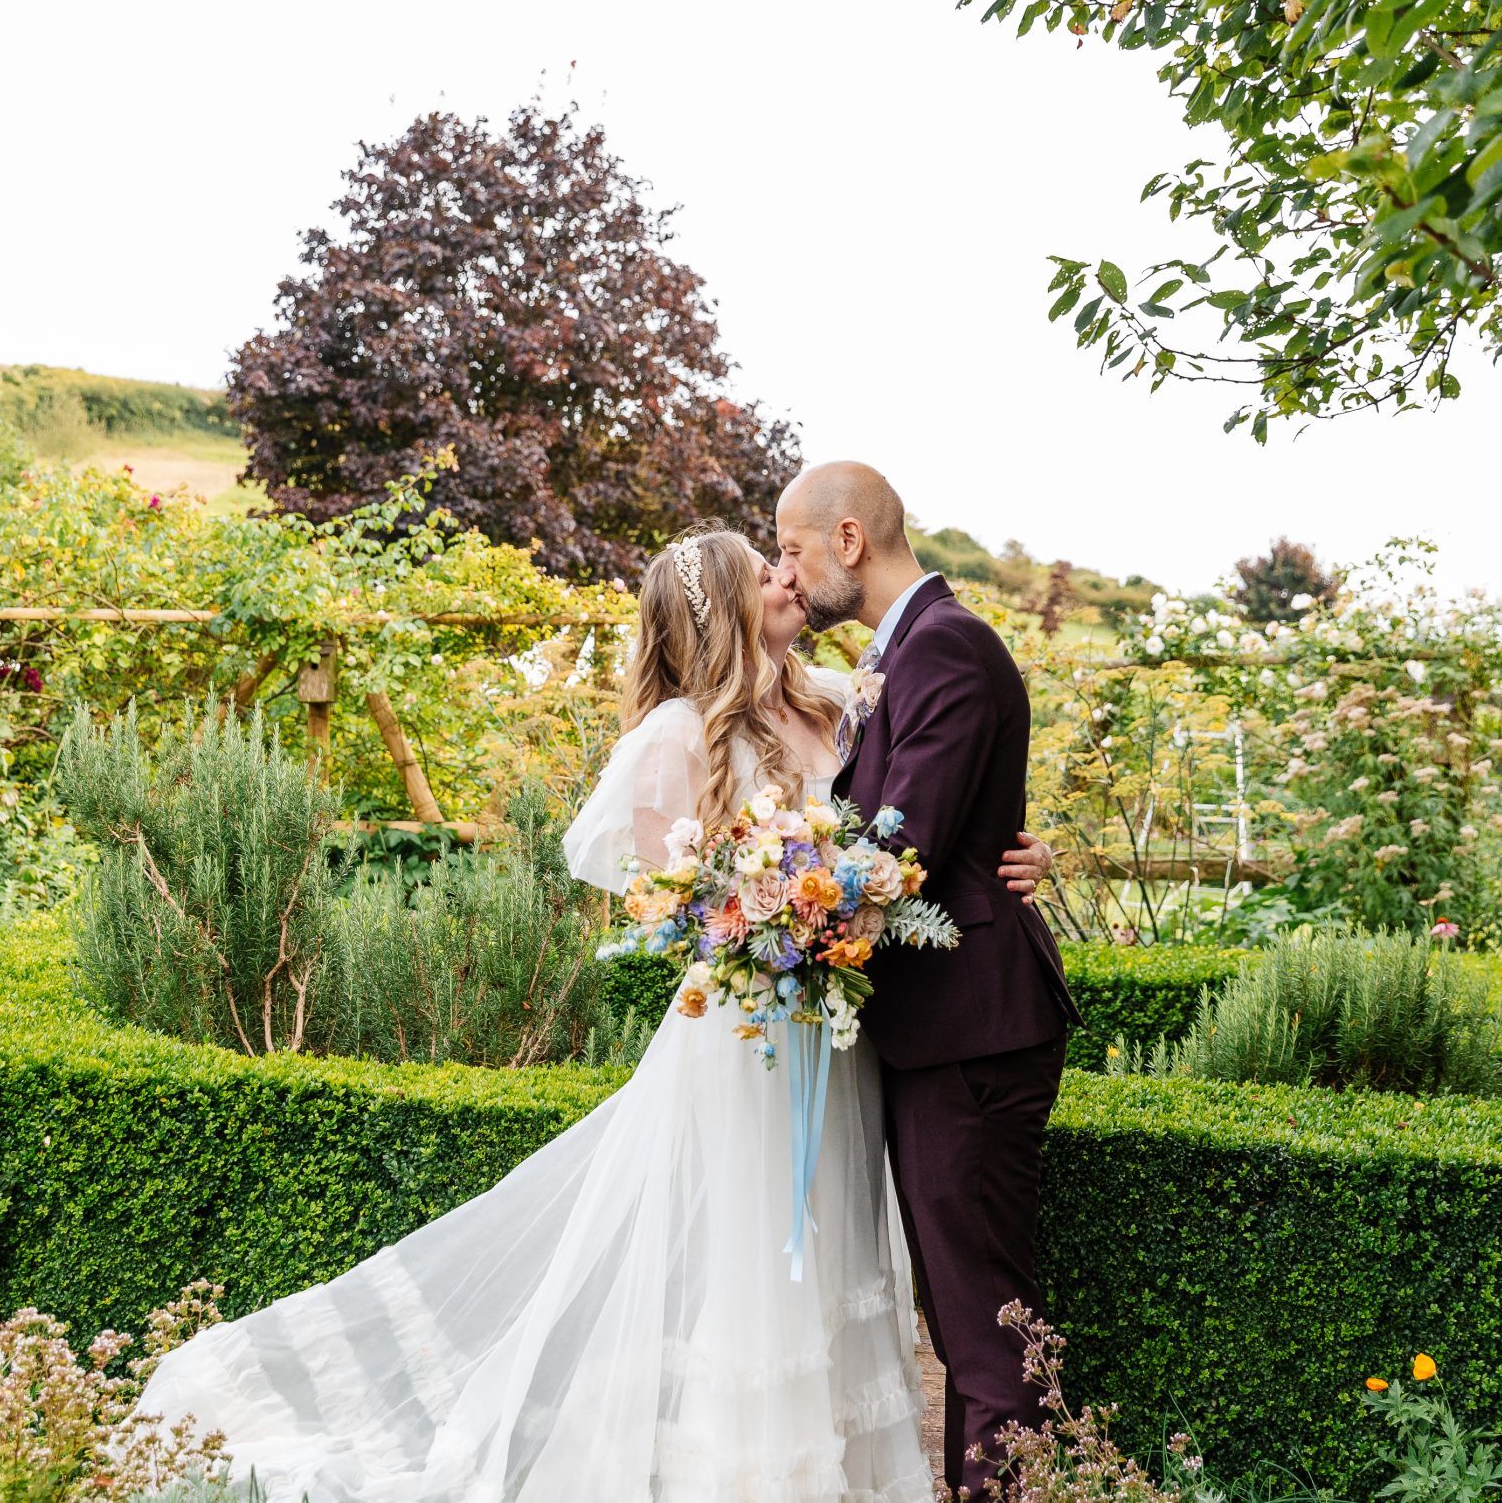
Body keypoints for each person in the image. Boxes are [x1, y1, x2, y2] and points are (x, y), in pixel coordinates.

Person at [137, 526, 1054, 1501]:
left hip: (841, 1036)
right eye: (764, 573)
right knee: (750, 1264)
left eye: (784, 564)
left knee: (827, 1257)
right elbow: (655, 890)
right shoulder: (676, 736)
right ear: (722, 614)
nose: (787, 580)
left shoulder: (837, 703)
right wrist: (758, 920)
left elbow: (936, 806)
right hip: (749, 1035)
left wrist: (1022, 854)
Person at [775, 462, 1082, 1501]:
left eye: (791, 549)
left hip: (972, 1029)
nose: (788, 569)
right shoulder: (900, 653)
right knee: (961, 1314)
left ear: (847, 540)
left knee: (981, 1315)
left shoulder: (944, 647)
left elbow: (900, 844)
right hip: (942, 1026)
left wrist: (768, 897)